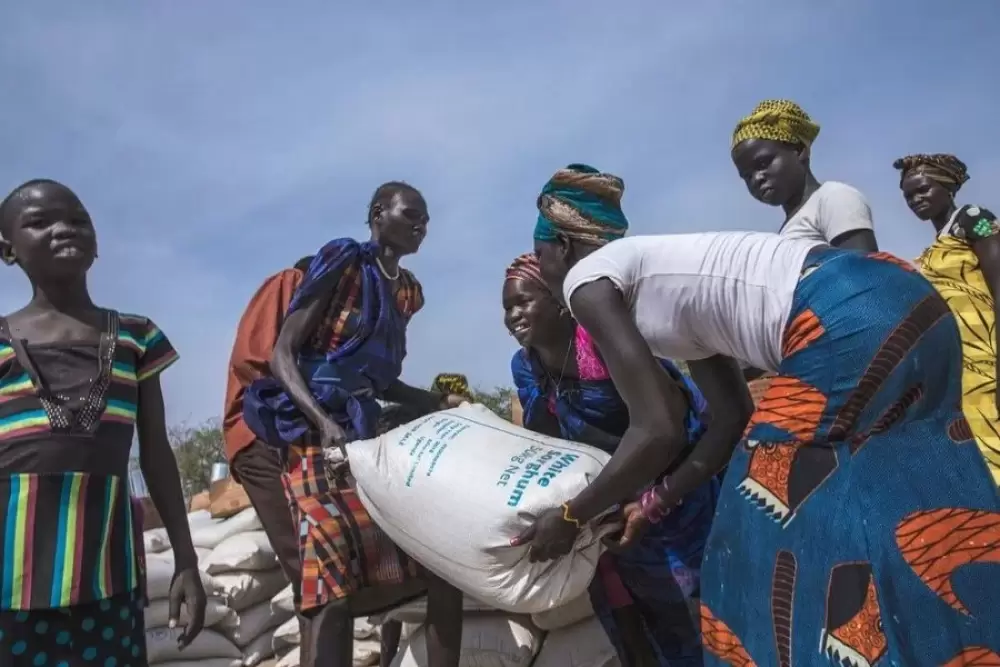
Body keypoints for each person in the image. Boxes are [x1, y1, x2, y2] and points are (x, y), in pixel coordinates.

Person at [517, 168, 1000, 663]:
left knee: (755, 536)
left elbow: (656, 427)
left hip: (839, 315)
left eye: (540, 257)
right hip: (911, 298)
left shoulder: (587, 279)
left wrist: (572, 515)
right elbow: (730, 418)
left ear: (562, 245)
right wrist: (653, 502)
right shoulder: (665, 281)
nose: (544, 272)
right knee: (914, 508)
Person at [242, 181, 464, 667]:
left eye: (426, 219)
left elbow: (381, 382)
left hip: (363, 436)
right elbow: (282, 355)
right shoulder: (345, 262)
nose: (421, 225)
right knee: (331, 590)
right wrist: (322, 421)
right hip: (311, 436)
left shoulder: (406, 293)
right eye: (411, 215)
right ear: (378, 214)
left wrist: (439, 402)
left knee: (439, 568)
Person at [0, 179, 206, 665]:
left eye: (76, 219)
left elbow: (156, 453)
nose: (62, 229)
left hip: (107, 571)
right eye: (39, 222)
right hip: (10, 577)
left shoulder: (136, 337)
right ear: (7, 249)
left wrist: (187, 560)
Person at [503, 250, 716, 667]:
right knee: (638, 630)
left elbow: (666, 430)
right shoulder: (526, 367)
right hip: (607, 510)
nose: (513, 314)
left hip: (673, 499)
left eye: (523, 301)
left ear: (558, 300)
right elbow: (548, 443)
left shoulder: (598, 344)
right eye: (507, 306)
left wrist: (579, 514)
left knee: (698, 618)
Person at [223, 255, 315, 664]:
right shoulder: (289, 282)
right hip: (263, 436)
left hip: (300, 438)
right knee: (310, 572)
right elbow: (254, 360)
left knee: (320, 575)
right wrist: (315, 409)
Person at [894, 153, 1000, 485]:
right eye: (908, 195)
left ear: (947, 186)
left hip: (986, 357)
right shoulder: (928, 251)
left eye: (923, 189)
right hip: (956, 367)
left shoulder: (974, 218)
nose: (915, 200)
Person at [731, 99, 878, 251]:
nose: (757, 179)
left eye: (763, 164)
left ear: (800, 150)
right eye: (747, 176)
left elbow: (863, 271)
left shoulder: (834, 198)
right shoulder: (786, 232)